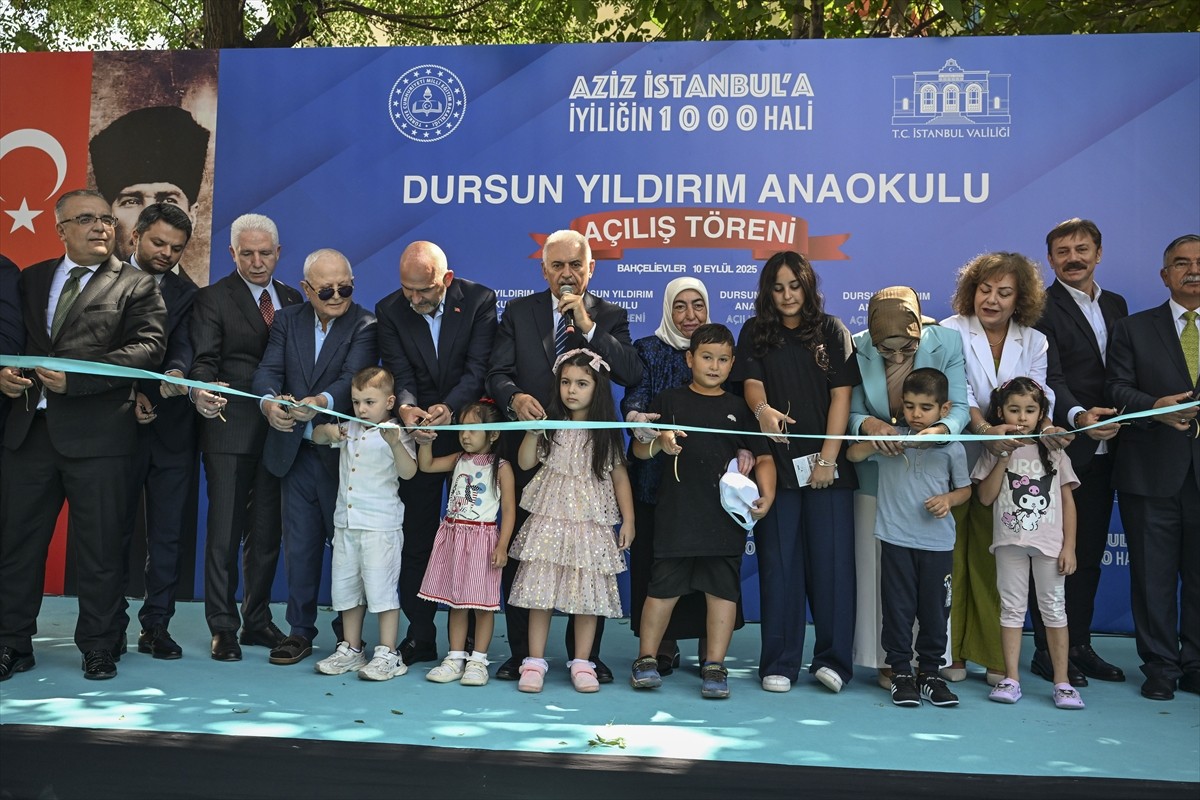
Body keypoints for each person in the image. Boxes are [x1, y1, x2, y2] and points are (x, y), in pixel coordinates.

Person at [0, 189, 166, 681]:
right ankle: (12, 644)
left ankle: (98, 646)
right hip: (30, 434)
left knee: (98, 550)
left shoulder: (136, 285)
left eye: (107, 219)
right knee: (18, 548)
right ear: (61, 229)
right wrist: (6, 376)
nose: (100, 227)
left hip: (101, 439)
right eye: (86, 219)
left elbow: (149, 349)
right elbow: (15, 342)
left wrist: (79, 378)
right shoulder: (30, 280)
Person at [486, 228, 642, 683]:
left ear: (590, 268)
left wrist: (590, 328)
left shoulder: (610, 315)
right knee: (526, 555)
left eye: (577, 265)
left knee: (583, 557)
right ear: (544, 269)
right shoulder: (518, 311)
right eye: (558, 265)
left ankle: (584, 656)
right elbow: (497, 371)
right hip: (530, 450)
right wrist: (514, 400)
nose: (568, 273)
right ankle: (522, 655)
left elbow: (631, 371)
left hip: (588, 460)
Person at [733, 250, 860, 694]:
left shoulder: (832, 330)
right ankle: (780, 662)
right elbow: (750, 382)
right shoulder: (755, 332)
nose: (787, 295)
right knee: (779, 567)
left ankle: (834, 662)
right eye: (778, 286)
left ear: (808, 286)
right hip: (777, 471)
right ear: (768, 291)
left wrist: (828, 460)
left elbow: (842, 397)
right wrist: (763, 411)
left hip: (829, 472)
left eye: (795, 285)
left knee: (833, 569)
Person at [940, 251, 1068, 686]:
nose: (991, 300)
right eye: (984, 289)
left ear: (1021, 300)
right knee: (952, 561)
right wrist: (985, 430)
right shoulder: (948, 332)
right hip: (955, 458)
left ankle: (994, 658)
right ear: (971, 290)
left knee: (992, 564)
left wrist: (1050, 428)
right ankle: (950, 655)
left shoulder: (1035, 341)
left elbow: (1041, 397)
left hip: (1012, 472)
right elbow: (954, 394)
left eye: (1004, 292)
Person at [629, 323, 774, 699]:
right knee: (661, 592)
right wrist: (660, 443)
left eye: (723, 359)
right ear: (690, 359)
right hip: (675, 518)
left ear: (732, 364)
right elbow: (638, 452)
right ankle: (645, 658)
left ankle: (715, 665)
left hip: (723, 524)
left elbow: (763, 457)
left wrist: (767, 496)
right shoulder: (668, 400)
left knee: (722, 593)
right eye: (707, 357)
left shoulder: (740, 408)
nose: (714, 366)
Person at [251, 248, 378, 666]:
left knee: (347, 547)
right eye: (327, 290)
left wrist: (317, 402)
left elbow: (352, 379)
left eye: (345, 287)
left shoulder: (364, 323)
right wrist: (269, 403)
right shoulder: (287, 320)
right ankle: (299, 631)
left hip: (342, 456)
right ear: (306, 289)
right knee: (300, 547)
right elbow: (268, 370)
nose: (338, 296)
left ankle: (349, 637)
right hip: (294, 451)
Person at [375, 240, 497, 667]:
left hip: (467, 430)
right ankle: (421, 634)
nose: (414, 299)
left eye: (423, 290)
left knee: (481, 538)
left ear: (445, 280)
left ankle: (476, 648)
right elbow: (401, 373)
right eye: (407, 289)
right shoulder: (390, 310)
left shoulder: (480, 301)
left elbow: (478, 369)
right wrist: (407, 405)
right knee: (419, 536)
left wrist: (451, 409)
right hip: (421, 434)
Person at [189, 213, 302, 662]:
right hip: (229, 430)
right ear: (232, 253)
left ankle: (256, 620)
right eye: (247, 253)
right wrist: (199, 391)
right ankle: (223, 626)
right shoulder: (212, 299)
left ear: (279, 253)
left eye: (265, 253)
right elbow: (202, 362)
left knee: (266, 534)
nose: (257, 262)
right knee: (224, 534)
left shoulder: (295, 298)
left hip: (280, 434)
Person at [848, 287, 970, 690]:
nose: (898, 358)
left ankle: (932, 666)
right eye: (888, 351)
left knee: (934, 592)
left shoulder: (948, 341)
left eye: (908, 348)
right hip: (878, 478)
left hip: (932, 467)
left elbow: (961, 409)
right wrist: (872, 427)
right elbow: (851, 412)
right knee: (883, 582)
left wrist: (937, 434)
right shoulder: (857, 345)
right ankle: (889, 663)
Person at [1033, 218, 1128, 686]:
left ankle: (1080, 645)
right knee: (1056, 555)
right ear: (1050, 260)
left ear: (1099, 252)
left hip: (1114, 450)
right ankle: (1047, 653)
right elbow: (1050, 377)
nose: (1074, 257)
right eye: (1063, 251)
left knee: (1087, 553)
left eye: (1082, 248)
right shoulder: (1042, 307)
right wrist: (1078, 417)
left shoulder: (1116, 304)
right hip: (1067, 445)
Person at [507, 349, 635, 693]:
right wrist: (534, 431)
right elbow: (523, 462)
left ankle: (582, 662)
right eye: (565, 382)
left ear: (598, 388)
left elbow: (619, 477)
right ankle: (533, 662)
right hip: (550, 520)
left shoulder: (604, 431)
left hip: (590, 523)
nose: (572, 390)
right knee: (540, 591)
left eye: (581, 383)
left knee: (587, 594)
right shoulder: (551, 424)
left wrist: (629, 519)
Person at [1106, 233, 1200, 701]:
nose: (1192, 270)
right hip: (1151, 470)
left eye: (1199, 263)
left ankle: (1197, 664)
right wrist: (1154, 408)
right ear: (1165, 276)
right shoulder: (1134, 327)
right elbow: (1117, 389)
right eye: (1181, 264)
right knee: (1153, 578)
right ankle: (1160, 666)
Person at [621, 277, 723, 674]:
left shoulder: (720, 347)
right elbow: (633, 405)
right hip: (655, 479)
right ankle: (660, 645)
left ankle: (708, 647)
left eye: (697, 305)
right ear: (667, 309)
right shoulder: (647, 349)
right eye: (679, 306)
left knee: (706, 562)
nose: (690, 315)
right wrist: (643, 423)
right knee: (655, 563)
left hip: (708, 479)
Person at [972, 377, 1083, 710]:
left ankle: (1062, 682)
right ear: (1000, 411)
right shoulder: (994, 449)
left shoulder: (1055, 450)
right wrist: (1003, 457)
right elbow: (986, 498)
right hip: (1009, 545)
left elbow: (1068, 503)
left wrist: (1069, 547)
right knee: (1011, 609)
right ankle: (1011, 678)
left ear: (1041, 413)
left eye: (1030, 410)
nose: (1021, 417)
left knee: (1053, 609)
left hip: (1050, 545)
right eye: (1014, 409)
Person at [119, 203, 199, 659]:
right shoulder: (103, 279)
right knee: (114, 531)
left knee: (167, 534)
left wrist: (169, 380)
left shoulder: (189, 293)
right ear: (136, 236)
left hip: (172, 430)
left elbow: (184, 349)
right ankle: (108, 626)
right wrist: (132, 394)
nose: (167, 253)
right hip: (113, 428)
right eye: (158, 243)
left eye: (176, 248)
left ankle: (156, 626)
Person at [311, 366, 417, 681]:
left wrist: (395, 443)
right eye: (357, 402)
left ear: (389, 401)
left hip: (380, 527)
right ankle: (351, 648)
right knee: (346, 591)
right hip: (346, 524)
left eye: (369, 402)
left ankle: (388, 653)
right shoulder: (350, 427)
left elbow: (408, 472)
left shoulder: (396, 432)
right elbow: (317, 436)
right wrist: (329, 432)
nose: (361, 409)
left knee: (382, 592)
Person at [414, 400, 516, 687]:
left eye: (474, 429)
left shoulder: (502, 467)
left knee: (483, 606)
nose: (465, 435)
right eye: (463, 429)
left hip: (483, 542)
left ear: (493, 434)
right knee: (456, 603)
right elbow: (427, 464)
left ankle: (478, 660)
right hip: (454, 537)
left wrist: (502, 545)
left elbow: (509, 510)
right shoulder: (458, 458)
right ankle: (455, 657)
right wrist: (425, 442)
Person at [88, 106, 211, 263]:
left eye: (168, 201)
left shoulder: (198, 289)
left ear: (192, 217)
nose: (150, 218)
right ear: (108, 219)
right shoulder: (86, 286)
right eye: (131, 202)